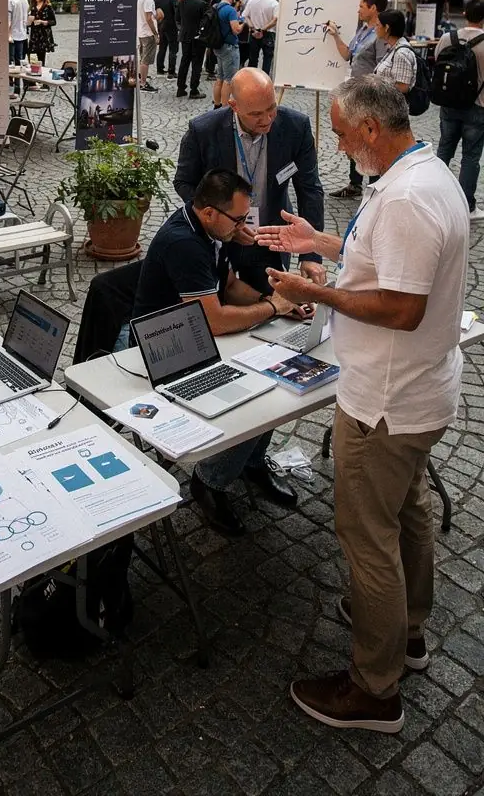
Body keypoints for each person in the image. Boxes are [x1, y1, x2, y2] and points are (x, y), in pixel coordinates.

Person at [257, 77, 468, 733]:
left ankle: (375, 690)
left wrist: (315, 294)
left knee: (366, 540)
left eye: (345, 135)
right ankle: (406, 634)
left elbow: (401, 308)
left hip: (385, 401)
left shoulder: (405, 199)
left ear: (372, 129)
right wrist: (319, 243)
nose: (340, 146)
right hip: (416, 394)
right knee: (406, 513)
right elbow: (387, 267)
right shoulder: (425, 174)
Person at [128, 169, 303, 535]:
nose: (245, 227)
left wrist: (272, 300)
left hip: (194, 338)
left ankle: (250, 461)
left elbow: (230, 285)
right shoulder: (186, 244)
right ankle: (210, 480)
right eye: (238, 219)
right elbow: (214, 321)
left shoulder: (211, 233)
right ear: (209, 212)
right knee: (260, 390)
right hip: (164, 353)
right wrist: (273, 309)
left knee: (277, 377)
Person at [174, 67, 325, 294]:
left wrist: (311, 254)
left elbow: (310, 189)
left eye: (271, 109)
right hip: (218, 238)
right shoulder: (203, 130)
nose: (266, 120)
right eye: (256, 114)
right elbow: (184, 182)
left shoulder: (296, 127)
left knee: (270, 304)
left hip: (269, 237)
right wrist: (223, 221)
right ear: (234, 106)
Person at [326, 0, 389, 198]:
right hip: (354, 92)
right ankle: (354, 183)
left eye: (362, 6)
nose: (358, 10)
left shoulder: (380, 35)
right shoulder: (362, 30)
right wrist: (335, 36)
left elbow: (381, 65)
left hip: (369, 94)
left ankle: (373, 183)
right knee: (353, 136)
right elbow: (347, 55)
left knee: (370, 138)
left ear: (373, 8)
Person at [435, 0, 484, 219]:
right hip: (478, 105)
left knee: (444, 150)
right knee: (471, 157)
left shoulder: (447, 37)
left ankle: (434, 197)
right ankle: (467, 206)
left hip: (449, 103)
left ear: (464, 13)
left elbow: (437, 61)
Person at [212, 0, 244, 107]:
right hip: (229, 46)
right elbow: (236, 30)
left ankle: (217, 104)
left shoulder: (216, 6)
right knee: (229, 79)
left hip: (218, 45)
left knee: (219, 77)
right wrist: (243, 23)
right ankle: (225, 108)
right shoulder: (230, 10)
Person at [175, 0, 207, 99]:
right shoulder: (203, 4)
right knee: (196, 63)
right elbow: (205, 20)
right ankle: (194, 89)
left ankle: (180, 88)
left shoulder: (181, 2)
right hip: (198, 37)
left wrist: (182, 29)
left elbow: (177, 19)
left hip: (185, 35)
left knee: (184, 61)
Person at [373, 9, 417, 94]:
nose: (375, 29)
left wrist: (377, 84)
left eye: (377, 25)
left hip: (393, 105)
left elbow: (403, 87)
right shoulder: (393, 47)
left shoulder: (401, 53)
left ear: (386, 28)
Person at [241, 0, 279, 75]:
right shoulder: (274, 3)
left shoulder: (252, 1)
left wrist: (253, 27)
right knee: (267, 59)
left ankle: (250, 79)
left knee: (253, 58)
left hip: (254, 32)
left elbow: (245, 16)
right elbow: (275, 20)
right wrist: (262, 29)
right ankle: (264, 80)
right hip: (268, 33)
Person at [136, 0, 159, 92]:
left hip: (142, 31)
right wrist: (155, 34)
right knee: (146, 59)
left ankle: (142, 78)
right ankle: (143, 83)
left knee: (143, 58)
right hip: (147, 32)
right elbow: (148, 18)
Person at [154, 0, 179, 78]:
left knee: (162, 47)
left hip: (161, 24)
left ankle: (160, 68)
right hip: (171, 25)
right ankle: (171, 71)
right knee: (173, 49)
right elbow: (176, 13)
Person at [27, 0, 57, 65]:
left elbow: (53, 22)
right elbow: (29, 22)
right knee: (32, 60)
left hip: (43, 38)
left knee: (40, 62)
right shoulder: (32, 7)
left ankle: (39, 75)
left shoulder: (47, 7)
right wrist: (29, 21)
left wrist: (42, 22)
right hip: (34, 37)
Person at [8, 0, 30, 86]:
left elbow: (9, 20)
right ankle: (17, 85)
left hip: (12, 34)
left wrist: (8, 34)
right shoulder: (25, 1)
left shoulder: (10, 0)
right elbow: (26, 19)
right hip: (22, 34)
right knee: (19, 60)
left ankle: (10, 83)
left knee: (10, 61)